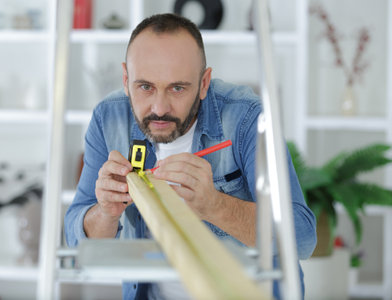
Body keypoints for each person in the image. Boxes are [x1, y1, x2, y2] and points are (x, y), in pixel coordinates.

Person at [65, 13, 317, 300]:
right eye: (145, 87)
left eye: (177, 88)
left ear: (204, 82)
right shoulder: (107, 118)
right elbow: (76, 241)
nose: (159, 108)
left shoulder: (248, 118)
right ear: (126, 79)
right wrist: (105, 212)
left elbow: (303, 239)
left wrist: (215, 206)